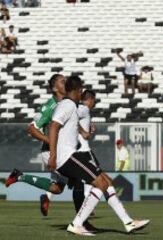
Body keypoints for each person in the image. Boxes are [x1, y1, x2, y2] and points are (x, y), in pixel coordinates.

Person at [47, 76, 149, 236]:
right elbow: (53, 127)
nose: (81, 93)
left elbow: (66, 126)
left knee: (106, 182)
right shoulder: (67, 105)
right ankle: (77, 224)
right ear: (78, 90)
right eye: (81, 90)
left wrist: (84, 131)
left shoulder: (71, 106)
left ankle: (128, 222)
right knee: (101, 183)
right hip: (66, 157)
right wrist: (53, 155)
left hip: (71, 155)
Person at [6, 75, 96, 231]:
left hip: (63, 151)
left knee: (57, 189)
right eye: (62, 81)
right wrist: (51, 141)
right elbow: (32, 129)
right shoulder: (50, 106)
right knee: (79, 181)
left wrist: (84, 131)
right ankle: (81, 223)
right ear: (55, 88)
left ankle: (20, 176)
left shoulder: (68, 104)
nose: (65, 82)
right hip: (52, 152)